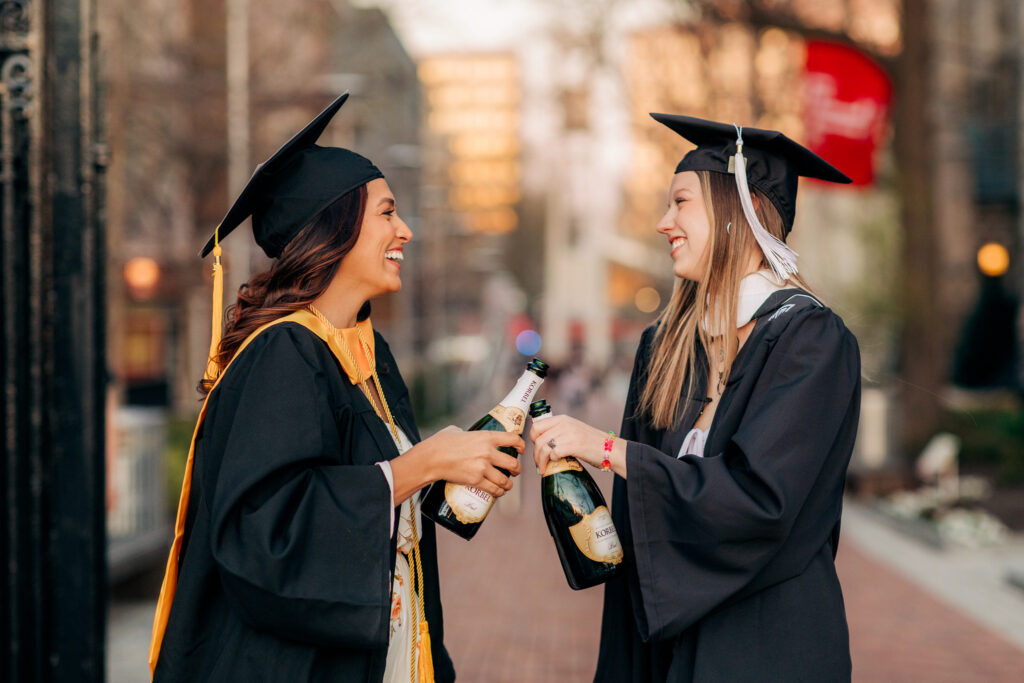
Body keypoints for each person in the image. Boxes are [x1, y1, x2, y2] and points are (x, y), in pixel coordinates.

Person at [148, 93, 523, 682]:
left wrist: (450, 475)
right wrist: (418, 466)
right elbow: (264, 531)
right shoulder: (285, 353)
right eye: (386, 212)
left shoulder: (367, 353)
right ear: (333, 226)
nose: (405, 229)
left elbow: (366, 495)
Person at [530, 114, 861, 682]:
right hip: (671, 646)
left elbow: (759, 500)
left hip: (769, 645)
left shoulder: (811, 341)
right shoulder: (667, 346)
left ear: (742, 213)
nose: (663, 223)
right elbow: (641, 523)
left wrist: (608, 449)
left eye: (680, 202)